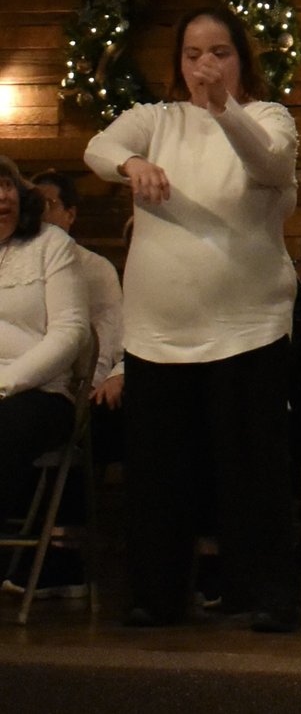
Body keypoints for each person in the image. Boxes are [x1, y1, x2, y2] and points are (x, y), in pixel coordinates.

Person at [85, 5, 301, 632]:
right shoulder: (156, 120)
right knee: (159, 472)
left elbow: (270, 165)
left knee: (251, 470)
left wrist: (222, 106)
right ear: (178, 64)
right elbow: (99, 147)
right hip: (158, 332)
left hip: (247, 327)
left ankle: (265, 594)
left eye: (219, 53)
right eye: (193, 55)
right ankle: (156, 594)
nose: (205, 65)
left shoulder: (266, 116)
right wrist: (134, 165)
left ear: (241, 58)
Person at [10, 170, 122, 600]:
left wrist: (108, 377)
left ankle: (61, 561)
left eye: (49, 205)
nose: (37, 212)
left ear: (71, 215)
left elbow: (107, 335)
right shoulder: (14, 258)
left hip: (78, 386)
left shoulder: (92, 267)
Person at [0, 156, 90, 576]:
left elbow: (70, 334)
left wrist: (6, 381)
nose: (2, 196)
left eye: (7, 186)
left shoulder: (52, 245)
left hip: (41, 394)